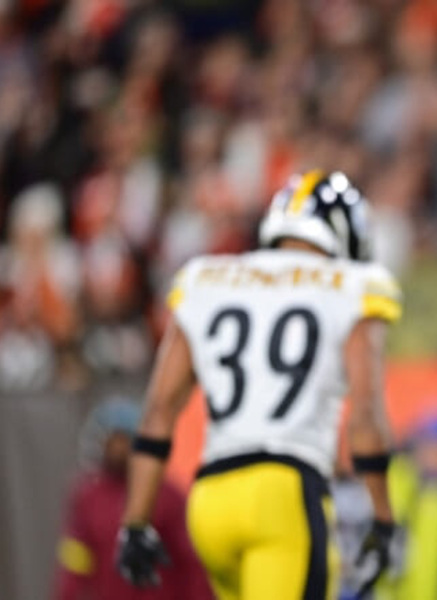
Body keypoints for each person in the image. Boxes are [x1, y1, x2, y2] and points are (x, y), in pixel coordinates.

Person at [115, 171, 402, 599]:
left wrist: (136, 522)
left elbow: (158, 409)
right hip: (283, 494)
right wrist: (381, 516)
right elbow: (365, 417)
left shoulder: (206, 280)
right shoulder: (353, 286)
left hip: (210, 500)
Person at [54, 397, 213, 600]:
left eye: (124, 440)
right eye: (112, 440)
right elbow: (76, 560)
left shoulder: (167, 495)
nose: (118, 448)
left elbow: (191, 563)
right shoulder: (88, 497)